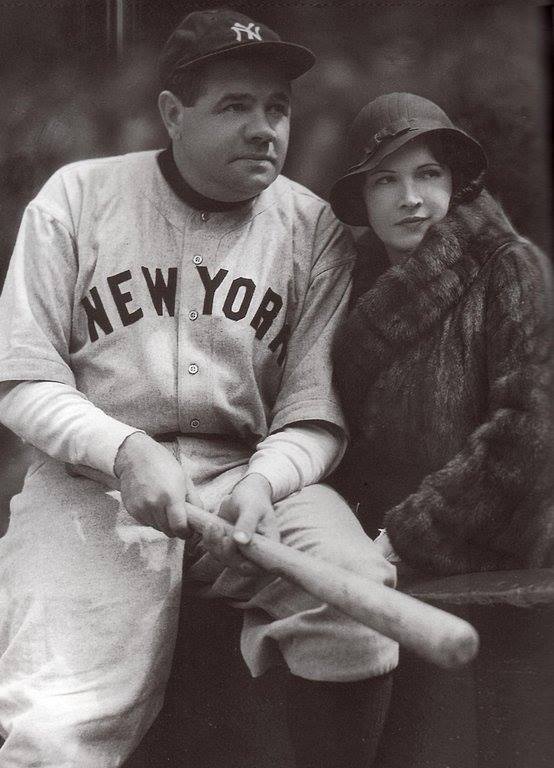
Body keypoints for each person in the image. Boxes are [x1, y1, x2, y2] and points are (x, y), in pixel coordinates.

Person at [0, 10, 398, 768]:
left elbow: (313, 413)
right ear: (173, 116)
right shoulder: (77, 198)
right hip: (91, 485)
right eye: (235, 105)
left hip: (256, 472)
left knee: (353, 602)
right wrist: (119, 449)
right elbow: (21, 379)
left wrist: (267, 481)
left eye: (277, 108)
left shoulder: (310, 227)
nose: (264, 128)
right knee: (57, 729)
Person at [329, 92, 553, 575]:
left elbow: (530, 430)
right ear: (363, 199)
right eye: (385, 180)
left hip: (500, 562)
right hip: (374, 555)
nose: (410, 198)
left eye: (428, 174)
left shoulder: (510, 267)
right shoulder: (346, 291)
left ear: (454, 180)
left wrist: (410, 535)